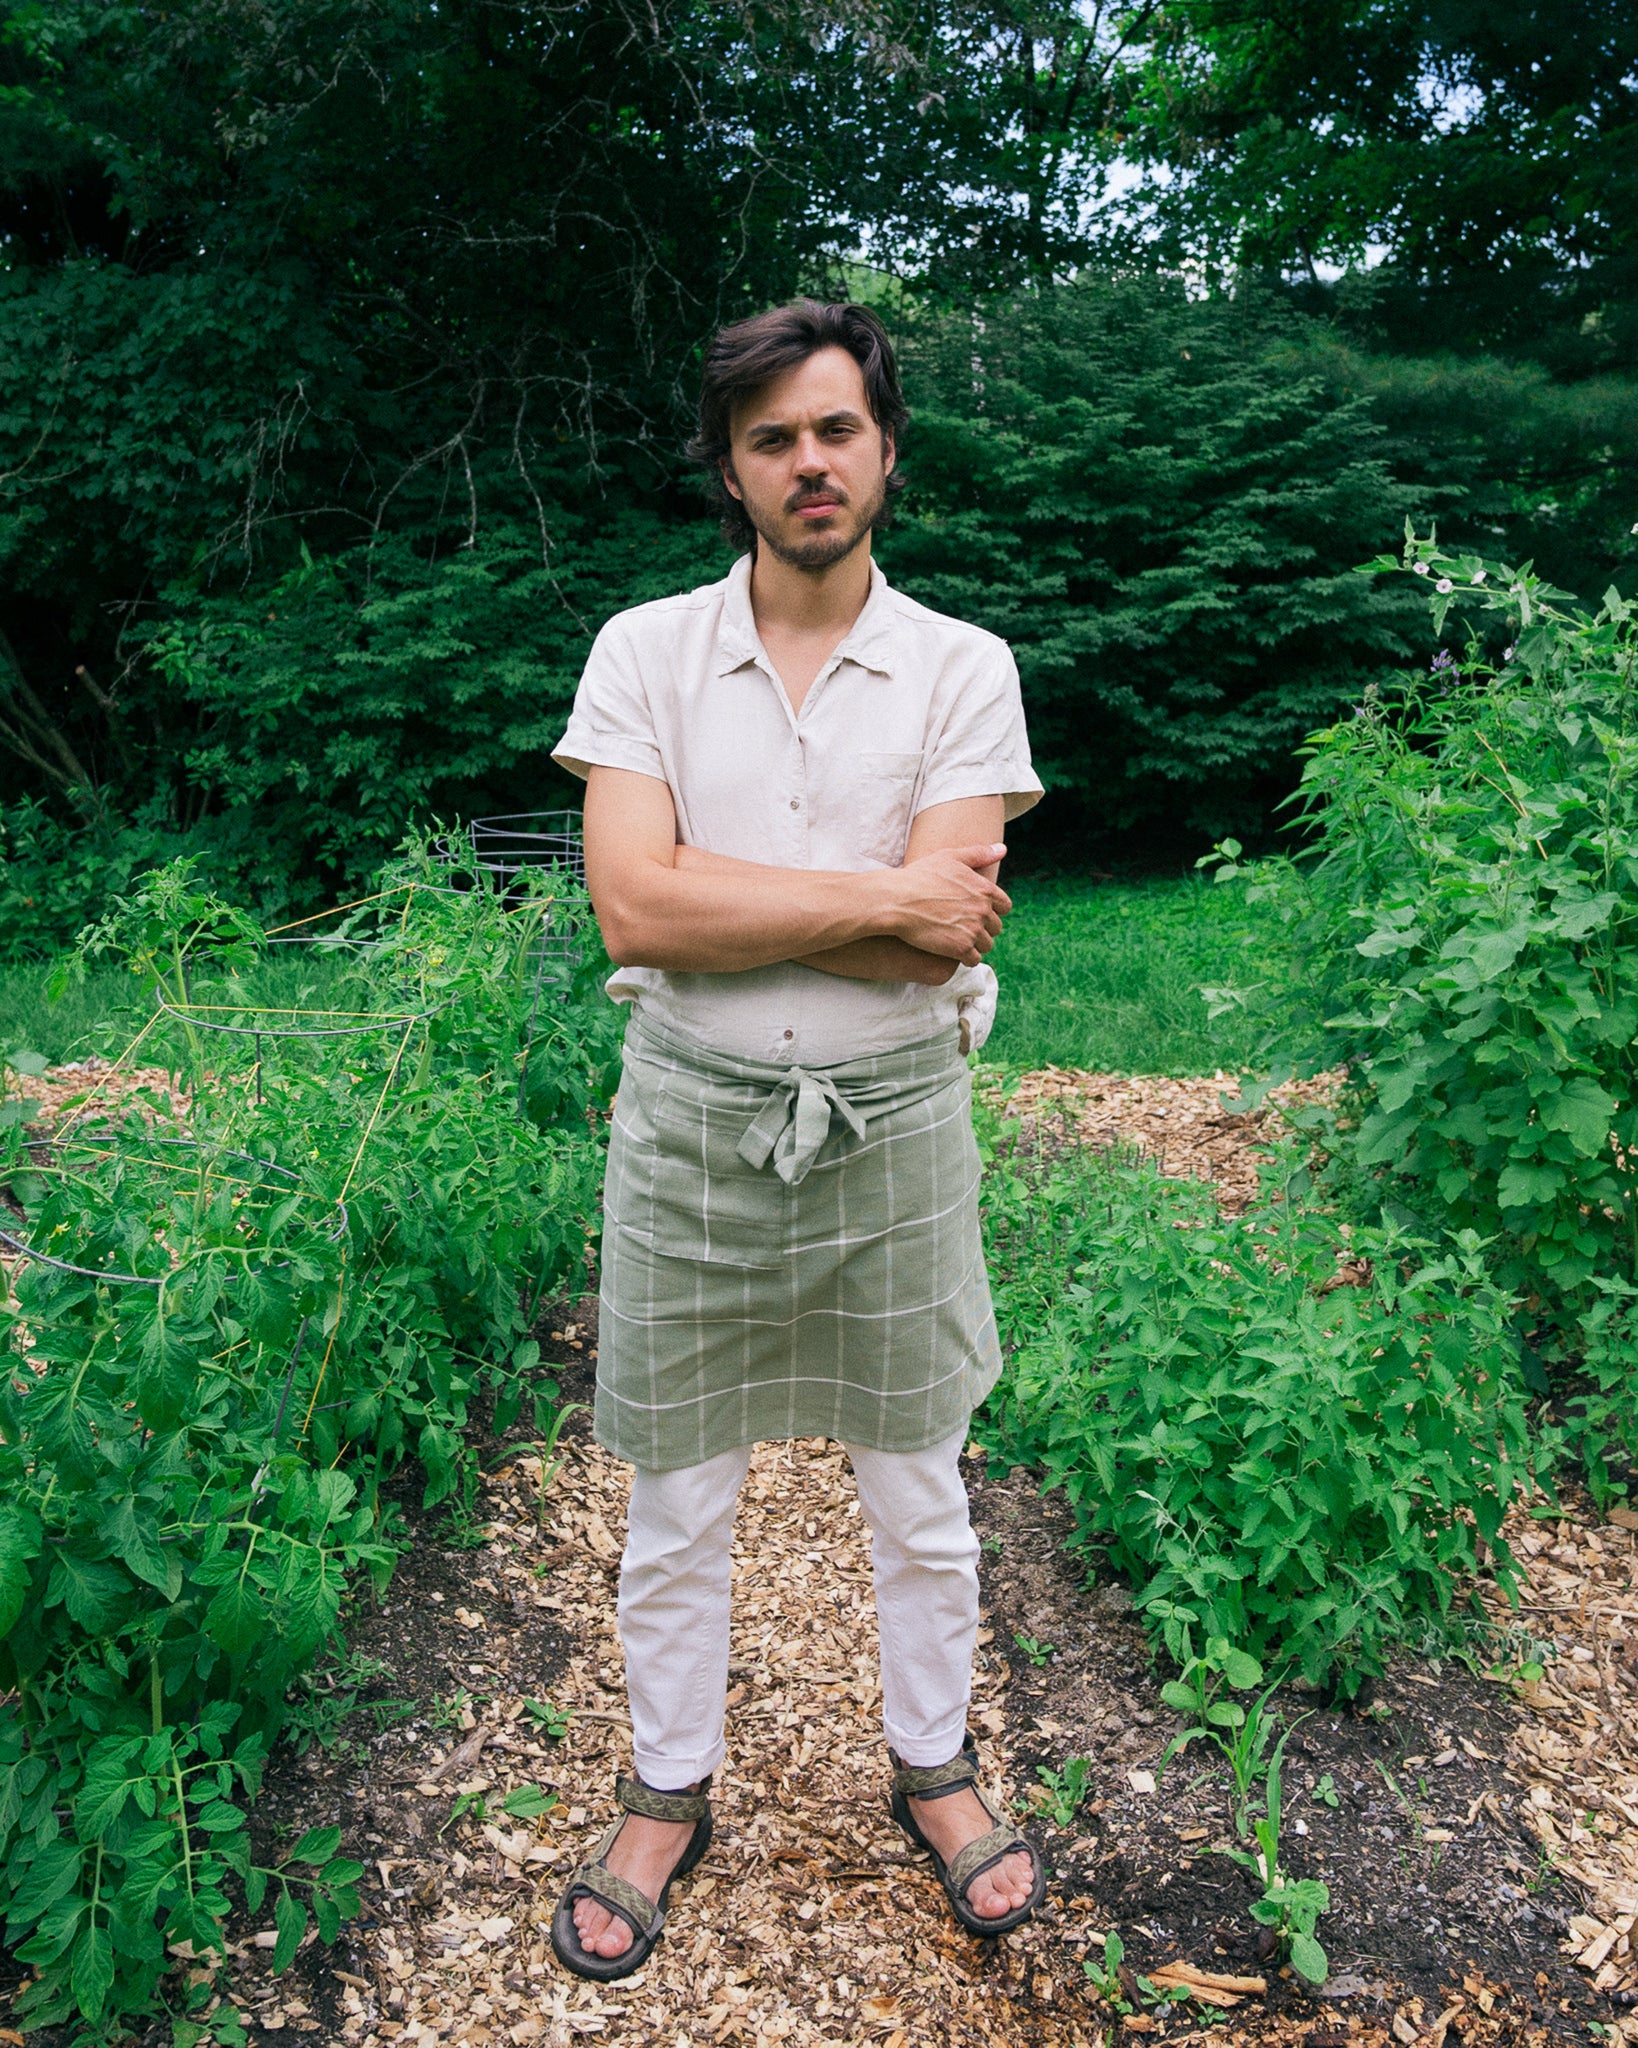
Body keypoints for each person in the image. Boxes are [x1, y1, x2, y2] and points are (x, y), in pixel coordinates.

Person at [546, 298, 1046, 1982]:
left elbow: (941, 943)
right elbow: (630, 900)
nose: (808, 462)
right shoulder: (645, 653)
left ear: (884, 447)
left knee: (919, 1490)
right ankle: (663, 1790)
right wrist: (875, 894)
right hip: (688, 1125)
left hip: (897, 1125)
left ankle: (936, 1767)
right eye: (772, 438)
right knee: (676, 1498)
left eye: (834, 429)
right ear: (732, 469)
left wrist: (726, 902)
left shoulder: (963, 666)